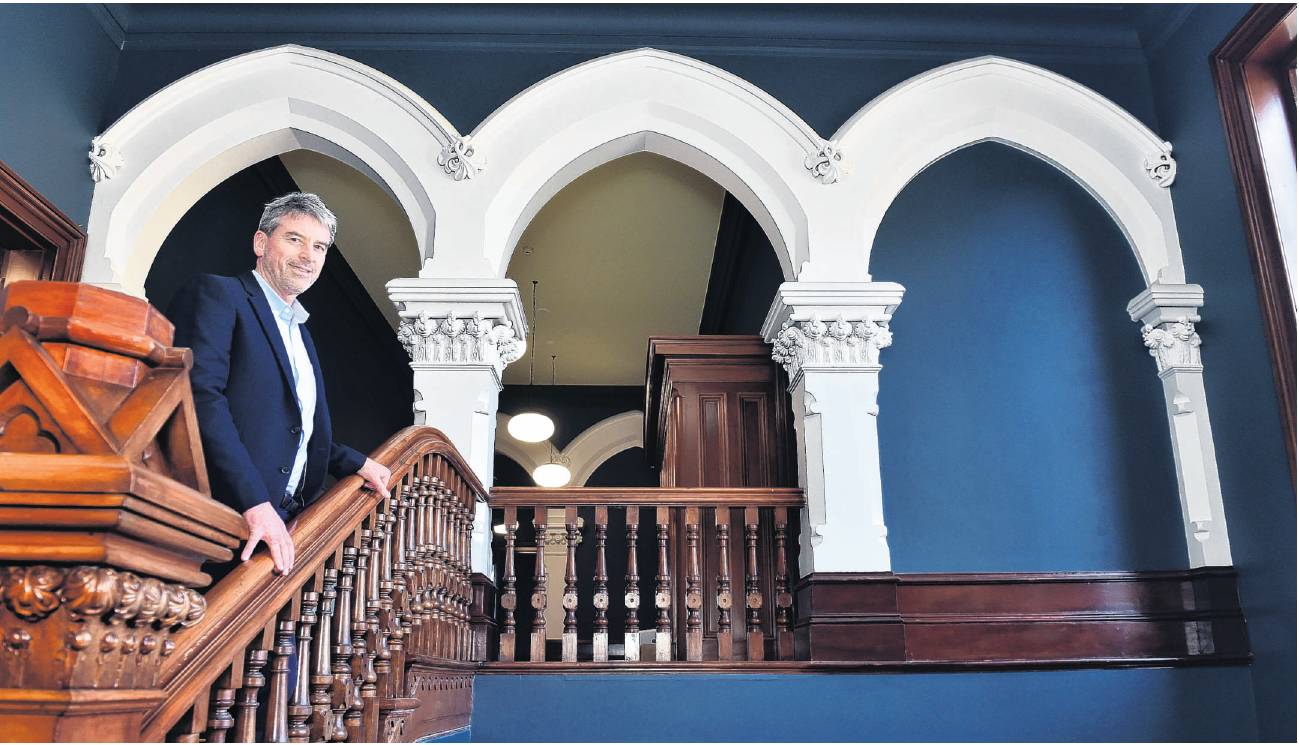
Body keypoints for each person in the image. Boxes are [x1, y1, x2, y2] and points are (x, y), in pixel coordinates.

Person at [169, 192, 391, 575]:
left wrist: (355, 461)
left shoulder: (300, 333)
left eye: (320, 246)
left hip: (285, 518)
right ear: (260, 242)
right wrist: (254, 503)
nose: (309, 256)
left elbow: (290, 426)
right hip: (224, 515)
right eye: (294, 239)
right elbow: (199, 398)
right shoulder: (221, 294)